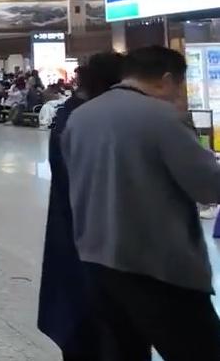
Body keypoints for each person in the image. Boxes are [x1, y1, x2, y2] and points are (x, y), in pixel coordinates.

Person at [63, 46, 220, 360]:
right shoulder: (162, 117)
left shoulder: (81, 116)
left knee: (124, 350)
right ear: (166, 79)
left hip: (98, 260)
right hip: (157, 266)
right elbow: (209, 188)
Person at [38, 52, 124, 361]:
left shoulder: (73, 113)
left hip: (76, 229)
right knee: (95, 320)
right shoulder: (85, 117)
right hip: (90, 235)